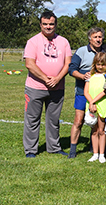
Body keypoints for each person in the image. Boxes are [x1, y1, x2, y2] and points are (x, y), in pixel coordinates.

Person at [23, 11, 72, 158]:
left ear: (55, 25)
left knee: (53, 120)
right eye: (45, 24)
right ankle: (31, 150)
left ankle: (54, 147)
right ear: (40, 25)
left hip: (57, 88)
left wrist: (57, 79)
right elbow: (29, 64)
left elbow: (68, 63)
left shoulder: (64, 42)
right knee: (32, 120)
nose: (48, 27)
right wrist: (46, 78)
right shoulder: (33, 41)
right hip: (35, 88)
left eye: (51, 24)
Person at [67, 27, 103, 158]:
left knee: (98, 124)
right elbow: (72, 69)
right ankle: (72, 150)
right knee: (78, 121)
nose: (98, 40)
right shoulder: (82, 51)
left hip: (100, 95)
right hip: (83, 92)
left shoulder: (105, 52)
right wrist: (83, 77)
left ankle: (94, 148)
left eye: (100, 37)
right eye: (95, 37)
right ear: (90, 39)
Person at [84, 52, 106, 163]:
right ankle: (95, 153)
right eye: (98, 64)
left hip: (102, 104)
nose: (100, 67)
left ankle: (102, 154)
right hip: (90, 105)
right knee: (94, 131)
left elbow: (104, 92)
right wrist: (91, 103)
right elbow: (86, 91)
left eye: (103, 64)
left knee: (101, 130)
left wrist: (94, 102)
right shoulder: (91, 76)